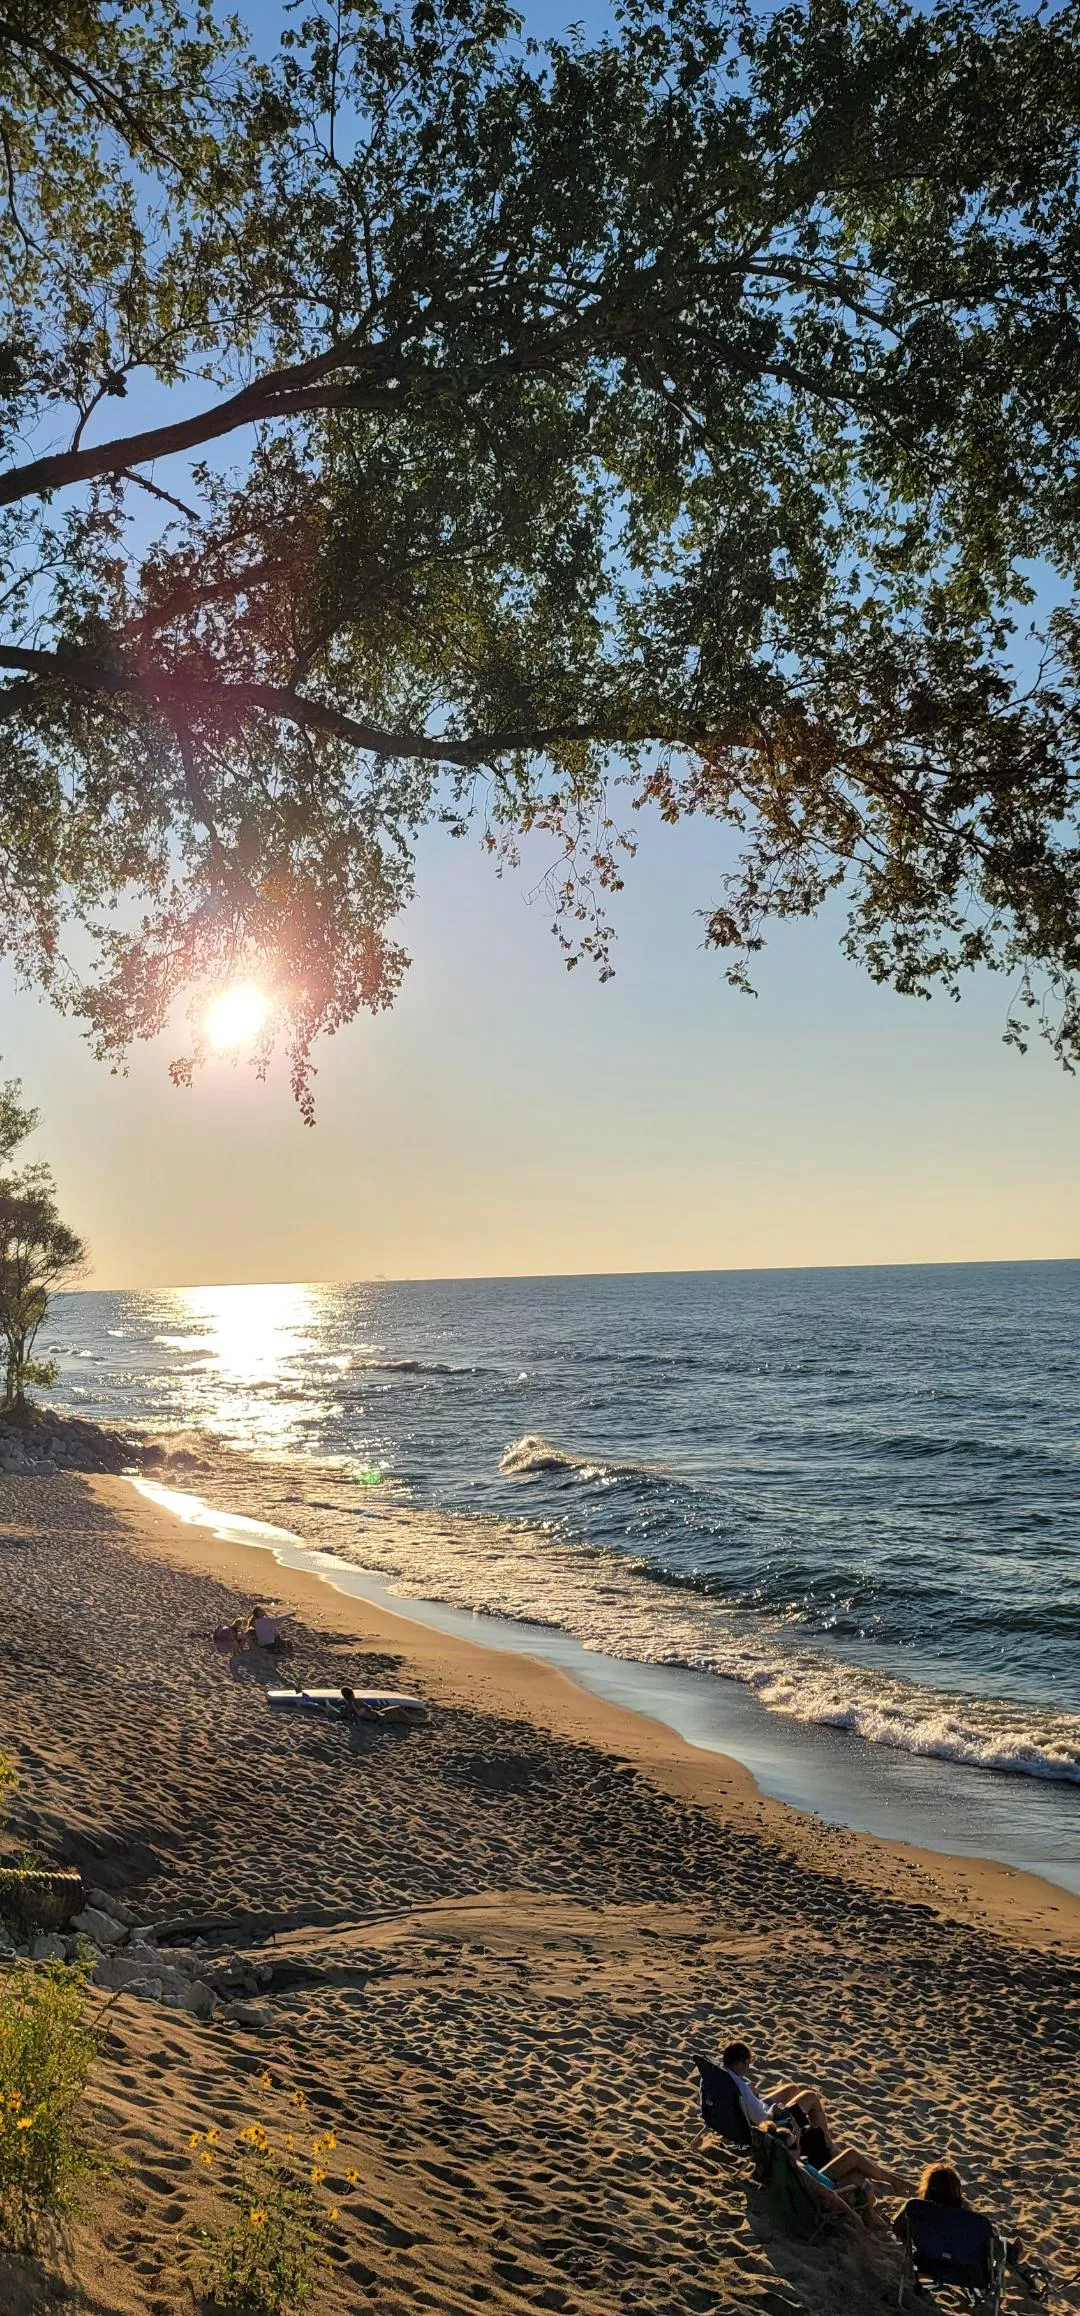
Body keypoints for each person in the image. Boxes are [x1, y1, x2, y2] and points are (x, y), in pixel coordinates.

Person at [892, 2165, 1024, 2269]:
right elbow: (995, 2250)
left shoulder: (916, 2209)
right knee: (991, 2241)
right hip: (964, 2268)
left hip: (926, 2262)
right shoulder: (974, 2222)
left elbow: (897, 2228)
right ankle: (1014, 2251)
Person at [721, 2038, 834, 2152]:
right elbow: (763, 2120)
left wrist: (751, 2094)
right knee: (810, 2096)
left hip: (743, 2112)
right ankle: (827, 2146)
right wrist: (773, 2109)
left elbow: (745, 2102)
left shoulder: (720, 2075)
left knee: (791, 2089)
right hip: (764, 2123)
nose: (748, 2068)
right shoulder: (741, 2088)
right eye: (747, 2063)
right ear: (739, 2063)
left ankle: (806, 2135)